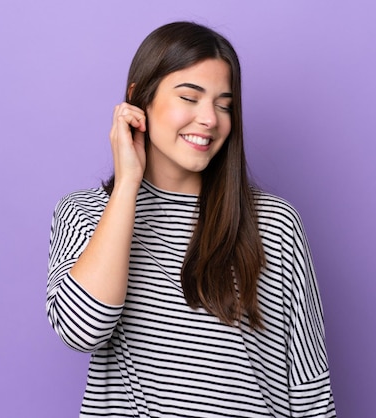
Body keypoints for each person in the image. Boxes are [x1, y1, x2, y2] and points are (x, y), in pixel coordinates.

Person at [47, 21, 336, 417]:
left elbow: (309, 384)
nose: (210, 119)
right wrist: (128, 183)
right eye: (190, 97)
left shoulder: (275, 223)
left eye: (223, 104)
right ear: (138, 98)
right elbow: (83, 330)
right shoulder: (87, 213)